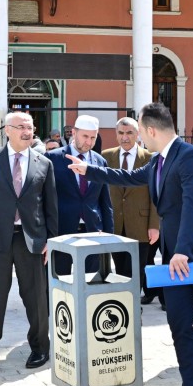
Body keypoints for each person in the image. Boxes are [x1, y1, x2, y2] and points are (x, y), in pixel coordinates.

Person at [71, 102, 193, 386]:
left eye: (140, 131)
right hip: (176, 261)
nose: (139, 140)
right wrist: (88, 170)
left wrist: (182, 251)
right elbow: (129, 176)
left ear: (150, 130)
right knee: (180, 326)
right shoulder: (158, 163)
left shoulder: (190, 157)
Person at [0, 111, 60, 375]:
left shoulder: (44, 163)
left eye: (30, 127)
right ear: (7, 130)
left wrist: (51, 241)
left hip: (31, 239)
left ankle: (40, 348)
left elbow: (51, 207)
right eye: (21, 127)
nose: (27, 131)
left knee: (36, 298)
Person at [102, 117, 161, 305]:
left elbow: (156, 195)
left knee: (138, 268)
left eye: (129, 133)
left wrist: (154, 225)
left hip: (141, 225)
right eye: (121, 133)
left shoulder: (150, 158)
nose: (125, 137)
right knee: (119, 269)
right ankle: (124, 306)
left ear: (138, 134)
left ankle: (135, 308)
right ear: (116, 134)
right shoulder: (105, 156)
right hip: (114, 225)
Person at [47, 115, 116, 273]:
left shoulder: (100, 161)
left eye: (93, 137)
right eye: (85, 136)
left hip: (93, 231)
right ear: (73, 132)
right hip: (61, 232)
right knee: (59, 284)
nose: (89, 142)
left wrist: (109, 236)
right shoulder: (53, 158)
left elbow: (105, 202)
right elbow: (45, 198)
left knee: (91, 285)